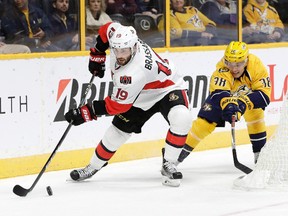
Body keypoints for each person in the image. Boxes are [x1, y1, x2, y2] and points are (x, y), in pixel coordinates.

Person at [64, 22, 193, 187]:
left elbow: (117, 106)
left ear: (134, 47)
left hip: (167, 88)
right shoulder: (119, 36)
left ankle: (170, 163)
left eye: (124, 51)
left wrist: (85, 113)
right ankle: (92, 167)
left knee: (182, 118)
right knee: (115, 134)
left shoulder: (133, 73)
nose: (119, 55)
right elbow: (106, 29)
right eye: (115, 50)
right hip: (139, 94)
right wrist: (97, 54)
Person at [176, 41, 271, 165]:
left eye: (238, 64)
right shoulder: (222, 68)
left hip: (246, 95)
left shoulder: (256, 65)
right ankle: (174, 156)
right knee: (204, 123)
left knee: (256, 114)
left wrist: (242, 104)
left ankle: (260, 156)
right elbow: (219, 93)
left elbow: (264, 96)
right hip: (225, 96)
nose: (234, 68)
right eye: (229, 63)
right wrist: (229, 105)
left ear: (246, 60)